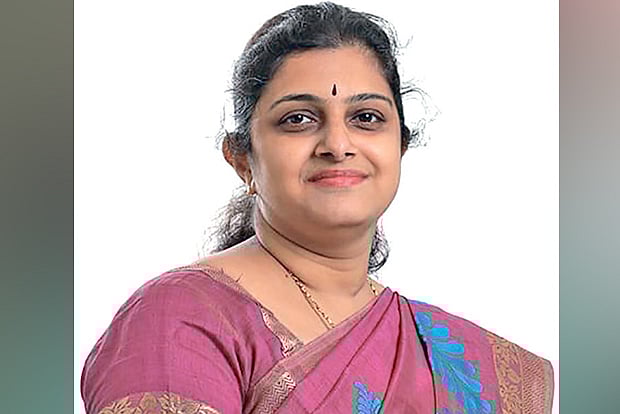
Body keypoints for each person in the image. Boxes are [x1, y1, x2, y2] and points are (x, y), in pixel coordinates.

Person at [81, 2, 554, 413]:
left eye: (366, 117)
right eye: (298, 119)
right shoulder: (181, 320)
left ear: (400, 147)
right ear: (242, 159)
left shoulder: (471, 360)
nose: (337, 144)